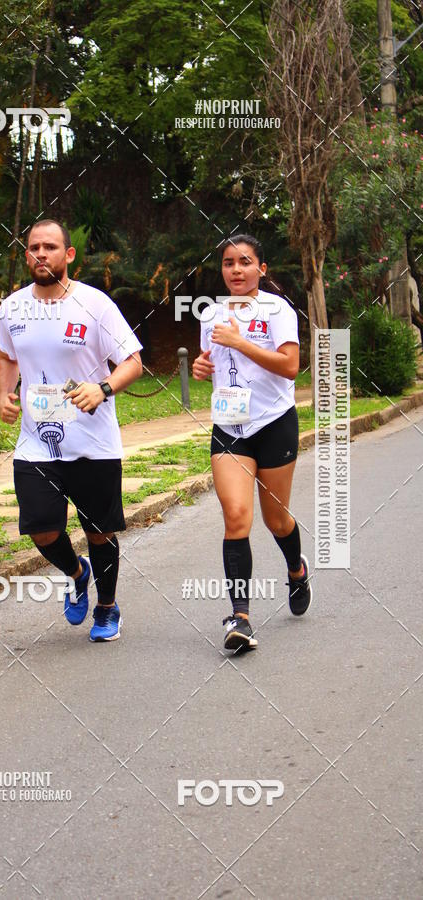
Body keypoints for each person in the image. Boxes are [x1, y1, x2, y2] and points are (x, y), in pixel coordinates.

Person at [0, 219, 142, 641]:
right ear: (27, 256)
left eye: (50, 247)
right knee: (42, 528)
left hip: (92, 441)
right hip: (35, 443)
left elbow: (132, 360)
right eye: (34, 248)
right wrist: (5, 393)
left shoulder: (95, 305)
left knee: (99, 530)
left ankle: (108, 608)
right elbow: (7, 356)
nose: (41, 254)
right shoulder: (13, 307)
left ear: (68, 255)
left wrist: (103, 389)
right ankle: (78, 573)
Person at [192, 234, 312, 651]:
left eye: (245, 262)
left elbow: (291, 367)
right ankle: (239, 618)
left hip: (274, 423)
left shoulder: (277, 310)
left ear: (261, 269)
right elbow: (214, 360)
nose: (236, 270)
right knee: (236, 515)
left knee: (275, 520)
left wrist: (241, 341)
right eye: (228, 263)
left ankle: (296, 569)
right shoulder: (211, 313)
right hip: (229, 426)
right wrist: (202, 366)